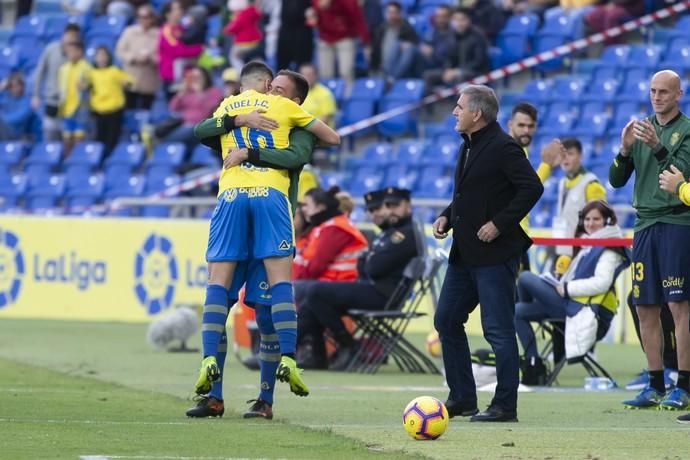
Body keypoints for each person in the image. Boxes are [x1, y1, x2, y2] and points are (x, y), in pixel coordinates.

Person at [186, 63, 339, 418]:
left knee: (264, 313)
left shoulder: (298, 124)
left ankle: (265, 399)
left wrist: (248, 152)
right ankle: (215, 397)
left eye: (281, 91)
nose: (273, 93)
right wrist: (237, 121)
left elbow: (295, 156)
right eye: (272, 87)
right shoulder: (248, 109)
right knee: (223, 300)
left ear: (297, 101)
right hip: (255, 208)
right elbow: (207, 132)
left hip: (270, 212)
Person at [432, 85, 543, 422]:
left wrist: (499, 224)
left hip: (495, 255)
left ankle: (505, 405)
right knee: (446, 319)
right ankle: (463, 398)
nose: (454, 111)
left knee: (497, 330)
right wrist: (447, 215)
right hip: (465, 253)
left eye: (459, 106)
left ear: (476, 114)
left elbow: (533, 187)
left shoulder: (504, 147)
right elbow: (472, 193)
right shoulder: (469, 144)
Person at [609, 70, 690, 411]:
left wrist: (657, 148)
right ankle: (655, 383)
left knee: (679, 307)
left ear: (678, 94)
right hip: (644, 224)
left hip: (677, 223)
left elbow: (676, 176)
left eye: (664, 92)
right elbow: (615, 180)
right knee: (644, 307)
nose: (657, 97)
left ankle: (683, 384)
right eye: (653, 91)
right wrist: (625, 149)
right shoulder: (639, 128)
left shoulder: (686, 131)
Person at [295, 187, 419, 371]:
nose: (389, 210)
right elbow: (364, 264)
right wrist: (368, 261)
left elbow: (372, 267)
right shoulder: (389, 233)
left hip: (383, 294)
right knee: (312, 297)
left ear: (408, 206)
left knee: (315, 291)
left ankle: (348, 345)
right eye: (387, 205)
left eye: (395, 205)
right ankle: (312, 354)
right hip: (372, 288)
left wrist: (368, 261)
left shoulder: (405, 234)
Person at [514, 200, 630, 385]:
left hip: (586, 310)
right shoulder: (589, 244)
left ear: (607, 221)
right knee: (518, 311)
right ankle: (533, 363)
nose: (590, 223)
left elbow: (601, 283)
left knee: (526, 277)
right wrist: (561, 280)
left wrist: (566, 288)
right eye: (587, 219)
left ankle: (543, 351)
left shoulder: (610, 248)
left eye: (596, 219)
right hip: (571, 304)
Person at [507, 102, 563, 271]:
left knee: (519, 294)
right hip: (509, 236)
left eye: (530, 126)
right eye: (521, 125)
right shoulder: (509, 150)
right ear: (510, 125)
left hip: (517, 235)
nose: (526, 130)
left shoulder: (520, 150)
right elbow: (524, 190)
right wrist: (546, 165)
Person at [293, 186, 368, 281]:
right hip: (332, 281)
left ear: (320, 207)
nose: (303, 209)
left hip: (341, 282)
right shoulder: (327, 226)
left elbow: (314, 268)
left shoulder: (335, 229)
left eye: (307, 205)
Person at [551, 138, 607, 257]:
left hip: (581, 252)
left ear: (580, 157)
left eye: (570, 154)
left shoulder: (591, 183)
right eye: (563, 154)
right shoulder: (562, 183)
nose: (565, 158)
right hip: (562, 250)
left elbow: (600, 222)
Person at [32, 23, 81, 141]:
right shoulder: (50, 49)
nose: (72, 39)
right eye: (70, 36)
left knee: (68, 139)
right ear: (64, 35)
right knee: (50, 135)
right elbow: (40, 72)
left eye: (75, 37)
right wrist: (36, 95)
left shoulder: (79, 54)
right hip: (52, 99)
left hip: (70, 103)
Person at [160, 66, 223, 153]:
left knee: (189, 129)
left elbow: (207, 111)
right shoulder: (187, 92)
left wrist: (199, 92)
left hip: (200, 125)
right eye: (193, 77)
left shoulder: (213, 92)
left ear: (205, 77)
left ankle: (161, 142)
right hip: (181, 123)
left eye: (199, 77)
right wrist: (181, 92)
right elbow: (172, 109)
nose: (196, 79)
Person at [306, 0, 370, 85]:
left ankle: (347, 97)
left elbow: (358, 19)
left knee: (346, 72)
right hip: (325, 37)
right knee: (325, 74)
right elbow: (312, 20)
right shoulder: (315, 1)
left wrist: (366, 42)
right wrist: (312, 15)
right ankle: (326, 97)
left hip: (345, 37)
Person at [115, 4, 160, 110]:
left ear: (152, 18)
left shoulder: (159, 34)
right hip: (130, 77)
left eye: (146, 17)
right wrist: (133, 58)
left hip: (149, 79)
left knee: (146, 112)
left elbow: (162, 55)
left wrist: (151, 58)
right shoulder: (129, 31)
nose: (143, 20)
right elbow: (120, 50)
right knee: (129, 110)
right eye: (140, 17)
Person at [89, 47, 133, 155]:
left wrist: (126, 83)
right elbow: (84, 84)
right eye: (99, 56)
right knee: (99, 138)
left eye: (104, 56)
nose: (101, 59)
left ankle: (110, 159)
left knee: (112, 138)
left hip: (114, 110)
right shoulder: (91, 73)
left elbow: (129, 81)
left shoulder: (114, 71)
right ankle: (99, 160)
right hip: (99, 110)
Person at [158, 0, 204, 100]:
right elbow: (178, 51)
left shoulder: (182, 28)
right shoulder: (167, 30)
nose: (181, 11)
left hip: (187, 75)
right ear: (168, 14)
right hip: (172, 78)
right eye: (177, 9)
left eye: (180, 8)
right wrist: (199, 49)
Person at [369, 1, 418, 82]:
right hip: (381, 70)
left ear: (399, 14)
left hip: (400, 73)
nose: (392, 16)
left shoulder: (407, 29)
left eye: (394, 13)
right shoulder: (380, 30)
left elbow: (414, 47)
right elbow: (375, 53)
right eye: (389, 13)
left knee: (399, 45)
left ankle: (392, 78)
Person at [58, 41, 91, 157]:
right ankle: (68, 162)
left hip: (81, 108)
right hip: (67, 108)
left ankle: (79, 159)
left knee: (79, 137)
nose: (70, 54)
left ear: (80, 52)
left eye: (73, 51)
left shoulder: (86, 67)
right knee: (66, 138)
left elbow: (91, 84)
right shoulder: (63, 69)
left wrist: (85, 86)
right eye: (68, 52)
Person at [224, 0, 264, 73]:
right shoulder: (251, 12)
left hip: (243, 43)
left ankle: (242, 72)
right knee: (254, 57)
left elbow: (232, 28)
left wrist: (226, 29)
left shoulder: (240, 16)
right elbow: (258, 14)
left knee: (234, 57)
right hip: (255, 42)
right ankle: (262, 69)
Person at [0, 73, 33, 141]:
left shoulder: (27, 101)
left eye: (17, 85)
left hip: (18, 135)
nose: (15, 88)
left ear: (22, 86)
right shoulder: (5, 97)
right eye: (11, 86)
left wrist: (2, 120)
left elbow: (18, 118)